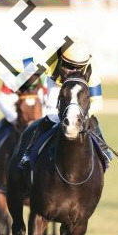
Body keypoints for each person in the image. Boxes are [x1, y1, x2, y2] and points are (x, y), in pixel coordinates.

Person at [19, 39, 112, 168]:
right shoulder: (51, 56)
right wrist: (25, 73)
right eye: (69, 65)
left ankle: (103, 149)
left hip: (79, 86)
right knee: (53, 116)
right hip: (57, 84)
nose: (74, 70)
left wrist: (83, 115)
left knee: (88, 117)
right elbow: (26, 65)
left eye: (78, 67)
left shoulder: (92, 68)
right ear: (61, 58)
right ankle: (30, 151)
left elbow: (98, 102)